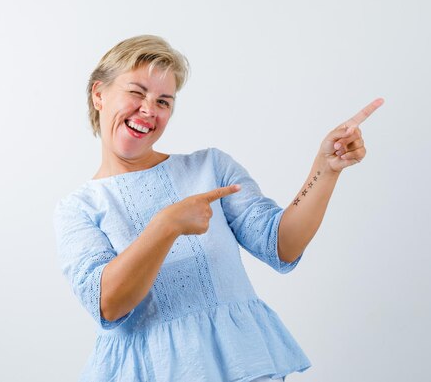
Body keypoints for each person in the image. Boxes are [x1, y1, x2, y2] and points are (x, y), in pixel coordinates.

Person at [54, 35, 382, 382]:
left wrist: (325, 169)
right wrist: (167, 225)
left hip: (242, 364)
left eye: (164, 101)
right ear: (99, 94)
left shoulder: (209, 168)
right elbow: (108, 305)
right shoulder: (77, 209)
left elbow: (282, 245)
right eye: (137, 92)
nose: (149, 110)